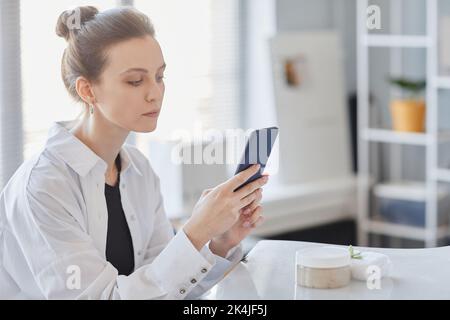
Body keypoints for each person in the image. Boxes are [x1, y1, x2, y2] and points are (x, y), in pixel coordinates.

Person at [0, 6, 267, 299]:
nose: (155, 93)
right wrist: (196, 232)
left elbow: (165, 289)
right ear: (88, 91)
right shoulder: (44, 186)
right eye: (135, 81)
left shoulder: (138, 170)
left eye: (160, 76)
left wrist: (218, 242)